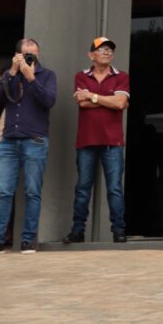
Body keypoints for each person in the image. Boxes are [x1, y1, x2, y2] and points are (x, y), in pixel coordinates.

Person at [62, 37, 130, 244]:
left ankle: (118, 230)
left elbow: (120, 103)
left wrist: (93, 96)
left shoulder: (121, 76)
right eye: (101, 50)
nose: (107, 53)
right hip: (87, 141)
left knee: (115, 188)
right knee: (83, 187)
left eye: (110, 50)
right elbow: (81, 103)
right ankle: (78, 231)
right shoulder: (81, 76)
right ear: (91, 55)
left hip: (113, 142)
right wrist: (103, 100)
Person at [0, 38, 57, 255]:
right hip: (9, 141)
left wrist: (32, 79)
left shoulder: (47, 75)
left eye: (34, 53)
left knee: (33, 192)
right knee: (3, 191)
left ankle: (28, 240)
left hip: (35, 140)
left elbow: (49, 101)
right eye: (26, 54)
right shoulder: (9, 76)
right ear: (17, 55)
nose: (30, 58)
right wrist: (12, 72)